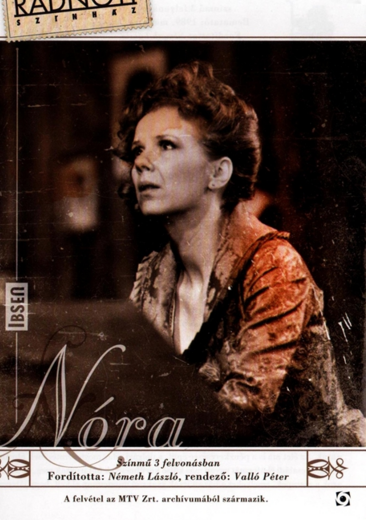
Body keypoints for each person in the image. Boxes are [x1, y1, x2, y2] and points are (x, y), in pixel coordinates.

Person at [116, 60, 366, 446]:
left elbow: (240, 413)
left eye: (166, 145)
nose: (141, 163)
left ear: (219, 173)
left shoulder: (273, 266)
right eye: (138, 149)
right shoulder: (153, 274)